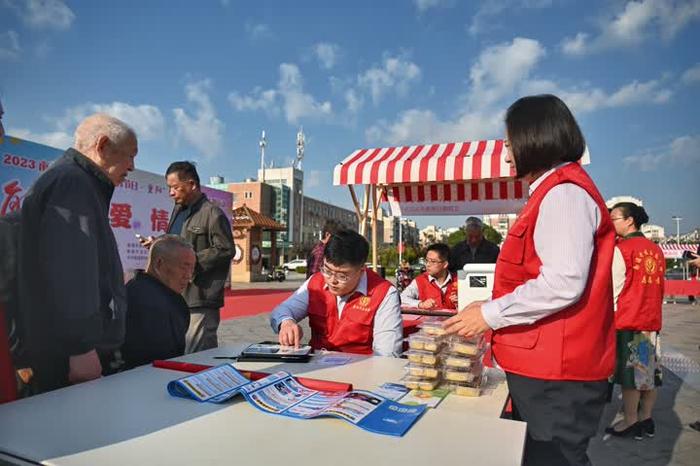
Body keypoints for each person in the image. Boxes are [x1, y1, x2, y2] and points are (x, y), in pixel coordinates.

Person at [444, 94, 615, 466]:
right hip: (547, 368)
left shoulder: (564, 194)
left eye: (509, 143)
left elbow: (563, 282)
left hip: (558, 375)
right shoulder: (554, 192)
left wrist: (489, 314)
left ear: (534, 137)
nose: (506, 154)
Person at [17, 113, 137, 393]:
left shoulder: (72, 179)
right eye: (130, 156)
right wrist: (80, 348)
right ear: (103, 145)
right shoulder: (73, 183)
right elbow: (72, 271)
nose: (132, 166)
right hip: (70, 354)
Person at [270, 229, 403, 356]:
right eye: (327, 270)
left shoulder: (384, 294)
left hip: (361, 371)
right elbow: (282, 310)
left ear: (362, 269)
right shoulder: (316, 282)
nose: (332, 281)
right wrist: (286, 322)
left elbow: (387, 354)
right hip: (316, 367)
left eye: (342, 276)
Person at [158, 161, 235, 354]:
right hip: (176, 294)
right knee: (178, 354)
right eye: (169, 188)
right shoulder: (177, 211)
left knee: (198, 356)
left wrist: (190, 260)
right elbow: (177, 244)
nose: (171, 193)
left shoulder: (212, 213)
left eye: (175, 187)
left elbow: (226, 249)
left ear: (192, 184)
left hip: (200, 297)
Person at [605, 203, 665, 440]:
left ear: (629, 220)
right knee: (649, 373)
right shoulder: (655, 250)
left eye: (614, 218)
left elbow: (613, 289)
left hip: (630, 319)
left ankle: (630, 420)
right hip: (651, 319)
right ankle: (646, 419)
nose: (611, 223)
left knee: (632, 376)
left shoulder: (623, 249)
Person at [121, 235, 195, 369]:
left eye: (192, 268)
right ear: (159, 263)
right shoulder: (148, 303)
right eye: (184, 267)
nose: (189, 276)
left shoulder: (141, 288)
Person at [400, 243, 458, 310]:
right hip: (428, 320)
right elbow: (401, 298)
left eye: (433, 261)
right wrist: (420, 304)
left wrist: (461, 303)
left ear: (445, 264)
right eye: (427, 260)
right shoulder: (420, 281)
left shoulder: (459, 280)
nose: (428, 264)